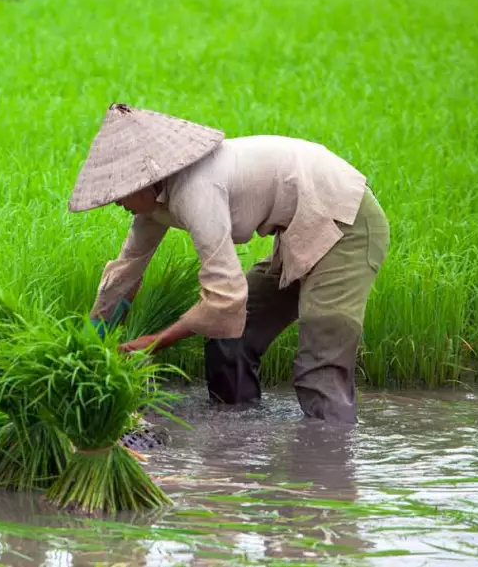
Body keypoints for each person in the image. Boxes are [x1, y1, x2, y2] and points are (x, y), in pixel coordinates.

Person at [69, 103, 390, 424]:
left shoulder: (197, 191)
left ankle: (330, 460)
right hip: (300, 230)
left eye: (120, 193)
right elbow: (126, 271)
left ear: (145, 179)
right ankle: (239, 442)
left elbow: (225, 298)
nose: (116, 202)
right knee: (229, 341)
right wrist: (89, 345)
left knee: (319, 368)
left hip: (345, 221)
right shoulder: (152, 204)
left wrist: (155, 342)